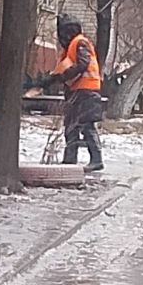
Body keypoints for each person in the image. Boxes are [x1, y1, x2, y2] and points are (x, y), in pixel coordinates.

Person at [43, 14, 104, 172]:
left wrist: (64, 76)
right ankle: (70, 159)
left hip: (87, 90)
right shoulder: (70, 48)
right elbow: (65, 69)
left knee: (86, 125)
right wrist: (49, 80)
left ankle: (96, 159)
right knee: (71, 126)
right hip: (77, 90)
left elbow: (82, 64)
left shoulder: (80, 43)